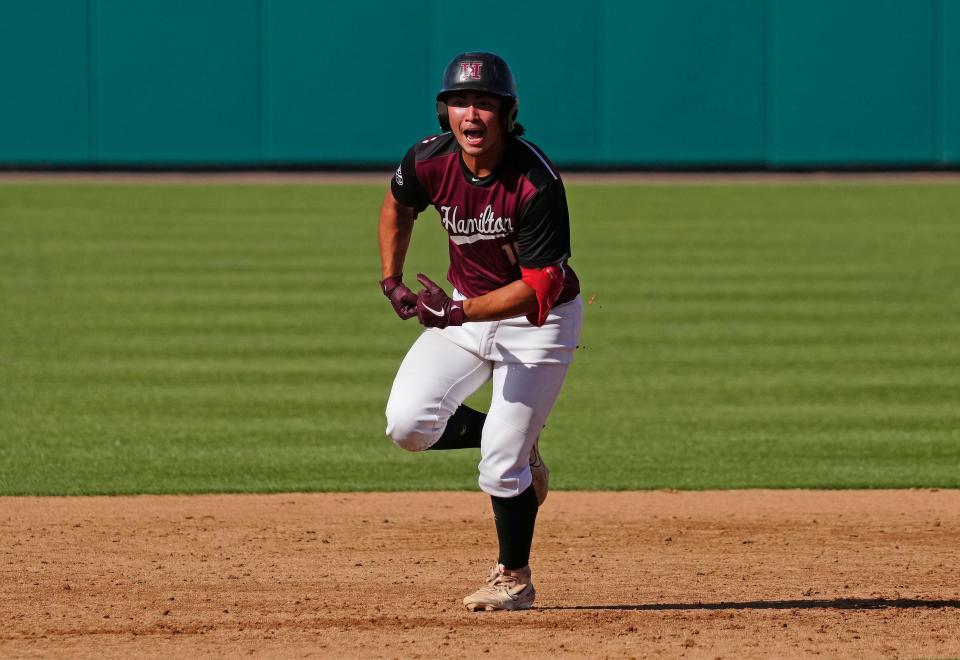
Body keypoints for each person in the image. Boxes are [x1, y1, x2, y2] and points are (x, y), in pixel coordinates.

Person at [378, 51, 582, 612]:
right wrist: (392, 281)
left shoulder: (536, 182)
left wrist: (458, 314)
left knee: (498, 463)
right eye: (461, 102)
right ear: (445, 112)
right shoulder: (427, 158)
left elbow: (539, 285)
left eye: (485, 103)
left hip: (538, 325)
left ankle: (513, 578)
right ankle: (518, 441)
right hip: (464, 311)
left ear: (507, 113)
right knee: (408, 424)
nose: (472, 114)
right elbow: (397, 206)